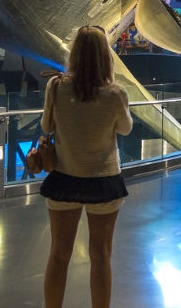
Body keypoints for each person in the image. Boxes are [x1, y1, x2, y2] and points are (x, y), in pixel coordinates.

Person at [41, 26, 133, 308]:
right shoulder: (116, 93)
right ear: (106, 55)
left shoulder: (56, 86)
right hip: (104, 181)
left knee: (58, 254)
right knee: (101, 254)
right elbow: (126, 129)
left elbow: (47, 125)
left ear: (74, 54)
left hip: (65, 179)